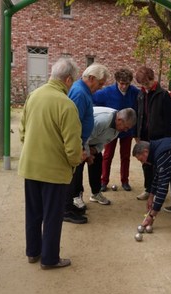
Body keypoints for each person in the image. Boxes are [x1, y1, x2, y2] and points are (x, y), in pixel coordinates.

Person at [18, 57, 82, 270]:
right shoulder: (67, 105)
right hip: (54, 171)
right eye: (73, 80)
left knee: (33, 213)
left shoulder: (33, 96)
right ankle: (50, 258)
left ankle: (33, 252)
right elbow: (72, 146)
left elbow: (22, 130)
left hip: (30, 167)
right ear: (68, 79)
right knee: (52, 216)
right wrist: (74, 163)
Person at [63, 107, 137, 224]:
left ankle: (96, 193)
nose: (126, 130)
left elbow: (105, 141)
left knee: (97, 164)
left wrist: (95, 150)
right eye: (126, 127)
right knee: (78, 168)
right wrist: (87, 154)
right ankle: (76, 196)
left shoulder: (117, 128)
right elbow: (83, 137)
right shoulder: (103, 120)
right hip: (79, 139)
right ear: (119, 120)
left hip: (93, 143)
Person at [65, 63, 111, 224]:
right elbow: (73, 124)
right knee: (72, 177)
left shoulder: (83, 90)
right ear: (91, 78)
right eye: (100, 84)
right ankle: (67, 210)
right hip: (76, 143)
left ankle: (70, 207)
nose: (100, 88)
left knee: (74, 176)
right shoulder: (79, 92)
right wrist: (81, 148)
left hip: (80, 142)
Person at [93, 68, 140, 192]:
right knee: (107, 155)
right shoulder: (107, 92)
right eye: (121, 83)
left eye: (127, 84)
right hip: (110, 128)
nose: (124, 86)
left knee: (125, 156)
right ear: (117, 81)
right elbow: (93, 99)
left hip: (127, 130)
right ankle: (103, 181)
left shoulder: (134, 92)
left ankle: (125, 181)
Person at [134, 66, 171, 201]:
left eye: (146, 83)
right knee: (145, 163)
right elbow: (139, 114)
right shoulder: (141, 94)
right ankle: (148, 189)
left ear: (152, 79)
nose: (145, 86)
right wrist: (137, 133)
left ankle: (157, 191)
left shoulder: (163, 95)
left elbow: (169, 120)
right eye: (142, 84)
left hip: (159, 136)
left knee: (159, 165)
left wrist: (168, 140)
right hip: (144, 135)